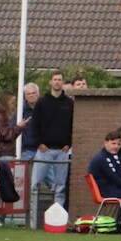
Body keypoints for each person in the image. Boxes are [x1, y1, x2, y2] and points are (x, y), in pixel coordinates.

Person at [30, 71, 74, 208]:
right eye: (55, 79)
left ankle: (57, 216)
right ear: (50, 82)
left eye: (60, 79)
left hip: (62, 151)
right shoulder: (42, 103)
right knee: (35, 183)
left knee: (60, 186)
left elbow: (73, 125)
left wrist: (69, 143)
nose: (57, 82)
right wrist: (38, 143)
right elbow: (34, 124)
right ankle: (31, 216)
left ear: (63, 82)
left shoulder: (69, 103)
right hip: (44, 150)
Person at [0, 90, 28, 158]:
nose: (13, 105)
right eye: (12, 103)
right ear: (5, 102)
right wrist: (19, 127)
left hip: (3, 151)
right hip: (3, 152)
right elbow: (6, 136)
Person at [19, 82, 40, 159]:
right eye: (28, 94)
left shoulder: (45, 108)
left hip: (43, 150)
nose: (31, 95)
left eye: (33, 93)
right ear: (25, 96)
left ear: (38, 94)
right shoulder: (20, 111)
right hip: (26, 150)